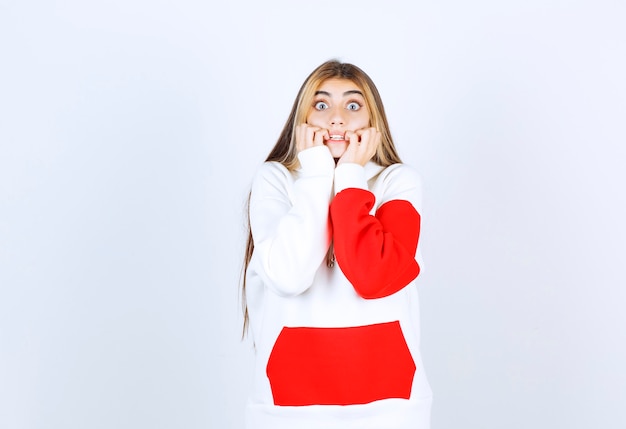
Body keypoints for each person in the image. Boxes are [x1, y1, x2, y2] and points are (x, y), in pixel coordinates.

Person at [240, 59, 432, 429]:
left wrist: (350, 177)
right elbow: (288, 276)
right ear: (303, 117)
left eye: (354, 105)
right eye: (322, 104)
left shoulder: (398, 182)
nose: (337, 118)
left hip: (390, 405)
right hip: (289, 407)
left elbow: (373, 278)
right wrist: (316, 175)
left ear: (373, 121)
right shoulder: (275, 180)